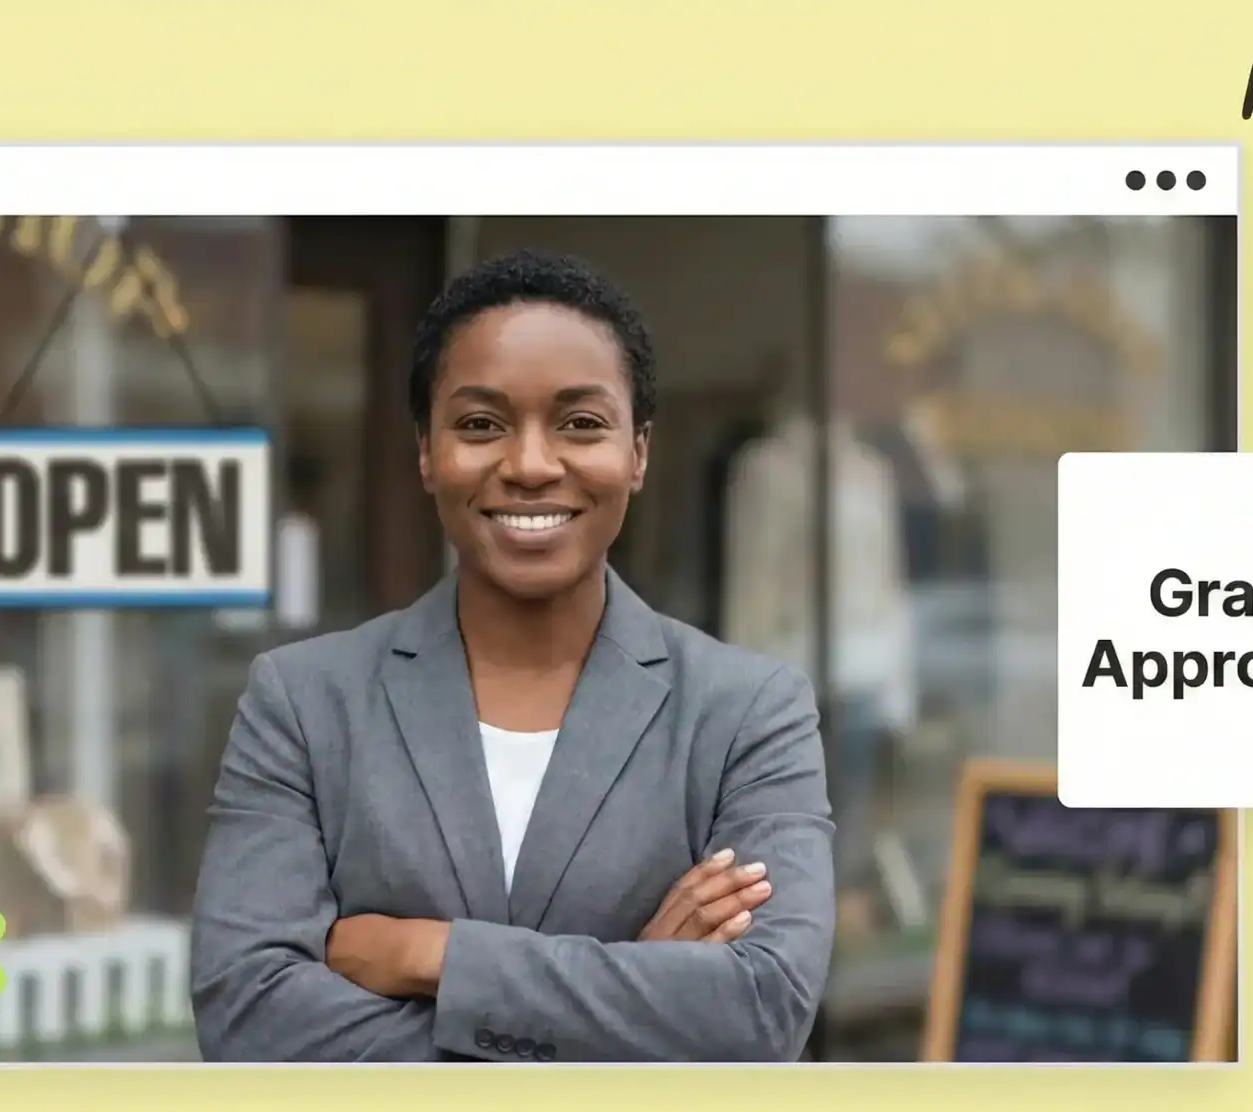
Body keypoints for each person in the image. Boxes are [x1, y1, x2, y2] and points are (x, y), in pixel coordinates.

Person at [189, 249, 836, 1063]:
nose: (530, 465)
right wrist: (640, 991)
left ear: (638, 453)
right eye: (481, 424)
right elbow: (246, 1019)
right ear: (426, 450)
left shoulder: (746, 711)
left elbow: (763, 1009)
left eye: (580, 424)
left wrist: (429, 954)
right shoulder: (303, 703)